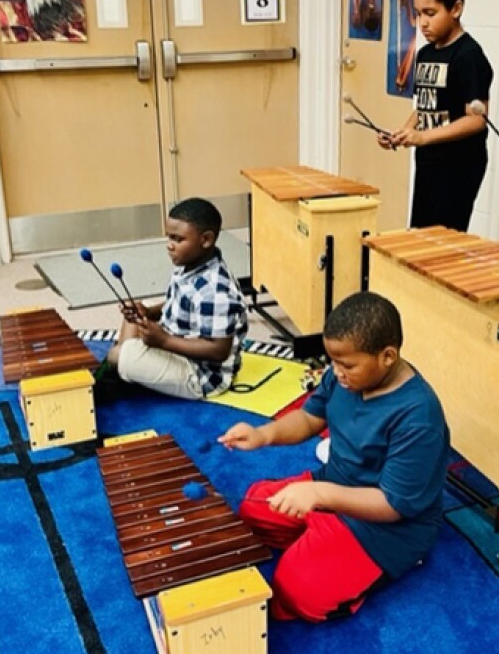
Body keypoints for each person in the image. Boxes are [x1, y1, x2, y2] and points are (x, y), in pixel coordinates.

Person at [218, 291, 450, 622]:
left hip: (388, 528)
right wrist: (262, 435)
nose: (336, 373)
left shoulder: (419, 417)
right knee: (253, 508)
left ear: (387, 356)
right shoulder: (343, 376)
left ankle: (363, 566)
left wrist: (319, 494)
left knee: (295, 592)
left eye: (347, 365)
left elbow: (393, 506)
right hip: (333, 487)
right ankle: (320, 538)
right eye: (332, 362)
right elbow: (311, 418)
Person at [381, 0, 494, 232]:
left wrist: (423, 138)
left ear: (455, 9)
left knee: (443, 241)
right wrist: (404, 132)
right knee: (419, 234)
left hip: (459, 165)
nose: (423, 23)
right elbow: (425, 107)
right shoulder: (425, 54)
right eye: (418, 14)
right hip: (429, 160)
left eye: (431, 14)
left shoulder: (469, 56)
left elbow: (477, 121)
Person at [104, 197, 248, 400]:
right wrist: (149, 312)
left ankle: (121, 367)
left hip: (199, 374)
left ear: (206, 239)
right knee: (134, 316)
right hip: (178, 347)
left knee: (117, 355)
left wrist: (164, 341)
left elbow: (218, 350)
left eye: (178, 239)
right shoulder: (189, 266)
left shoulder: (217, 290)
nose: (170, 246)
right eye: (168, 238)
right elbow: (180, 304)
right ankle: (123, 369)